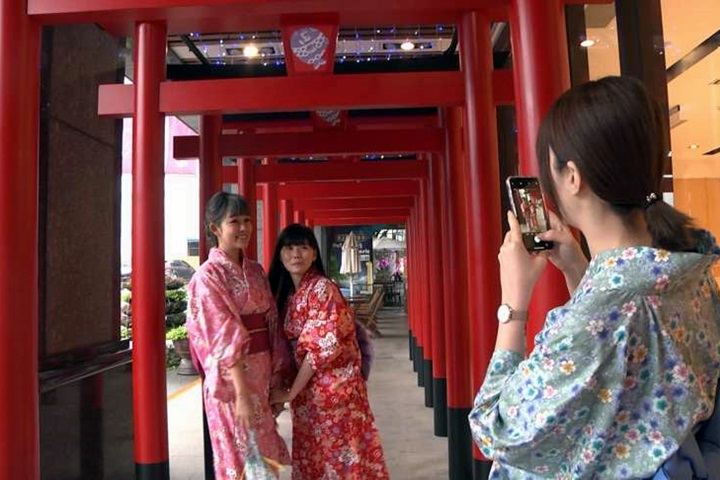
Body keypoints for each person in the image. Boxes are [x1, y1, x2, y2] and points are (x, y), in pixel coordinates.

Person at [469, 76, 720, 478]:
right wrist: (576, 268)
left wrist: (512, 304)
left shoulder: (601, 314)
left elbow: (496, 428)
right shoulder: (689, 271)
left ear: (572, 175)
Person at [267, 223, 389, 480]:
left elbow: (319, 350)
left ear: (314, 254)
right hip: (308, 394)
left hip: (335, 393)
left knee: (341, 459)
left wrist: (290, 392)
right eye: (289, 248)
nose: (296, 254)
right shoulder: (289, 295)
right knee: (313, 458)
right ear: (280, 254)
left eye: (303, 247)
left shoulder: (323, 289)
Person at [186, 192, 292, 479]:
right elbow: (221, 334)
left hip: (262, 374)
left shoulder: (256, 271)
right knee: (240, 460)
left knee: (266, 455)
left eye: (247, 220)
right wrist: (242, 394)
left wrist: (278, 377)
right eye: (235, 221)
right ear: (215, 228)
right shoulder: (207, 277)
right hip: (234, 383)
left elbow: (272, 323)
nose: (244, 228)